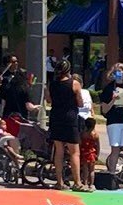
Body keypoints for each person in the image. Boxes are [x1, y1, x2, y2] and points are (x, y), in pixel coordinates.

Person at [47, 59, 84, 191]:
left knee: (59, 151)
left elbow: (48, 100)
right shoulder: (74, 84)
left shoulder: (52, 84)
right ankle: (77, 182)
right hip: (70, 118)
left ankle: (59, 182)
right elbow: (80, 103)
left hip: (56, 117)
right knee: (74, 152)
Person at [0, 56, 32, 120]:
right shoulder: (3, 75)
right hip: (8, 103)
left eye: (16, 61)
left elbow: (25, 88)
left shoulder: (21, 73)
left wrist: (29, 85)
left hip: (20, 103)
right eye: (13, 62)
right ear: (8, 64)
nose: (16, 63)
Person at [79, 117, 100, 191]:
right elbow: (97, 146)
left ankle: (85, 183)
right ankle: (91, 184)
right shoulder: (95, 135)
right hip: (92, 153)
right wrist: (97, 154)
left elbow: (80, 143)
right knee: (92, 170)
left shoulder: (83, 134)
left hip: (84, 152)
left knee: (85, 169)